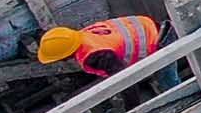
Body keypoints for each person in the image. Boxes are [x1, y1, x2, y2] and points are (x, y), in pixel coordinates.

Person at [37, 15, 181, 89]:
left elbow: (124, 80)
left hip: (160, 42)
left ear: (65, 54)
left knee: (168, 84)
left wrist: (132, 109)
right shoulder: (84, 35)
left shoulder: (95, 56)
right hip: (155, 26)